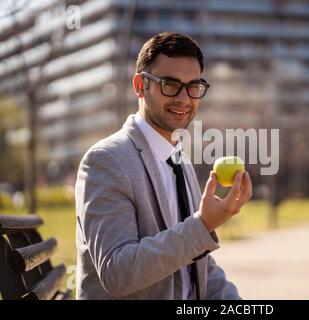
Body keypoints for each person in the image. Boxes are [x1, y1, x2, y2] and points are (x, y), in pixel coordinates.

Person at [75, 32, 253, 300]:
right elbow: (116, 273)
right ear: (139, 85)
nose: (184, 98)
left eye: (193, 86)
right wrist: (202, 225)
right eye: (170, 84)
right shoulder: (106, 160)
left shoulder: (179, 159)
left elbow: (197, 265)